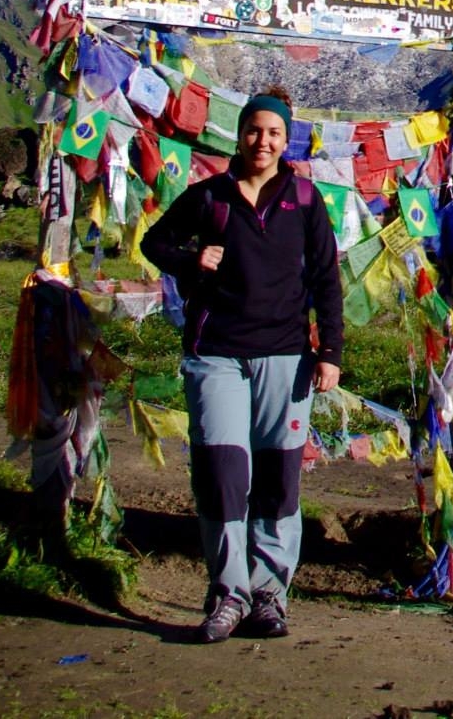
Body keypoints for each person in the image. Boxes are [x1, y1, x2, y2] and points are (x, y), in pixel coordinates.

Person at [143, 85, 343, 643]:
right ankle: (227, 595)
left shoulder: (305, 200)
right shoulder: (209, 196)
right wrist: (191, 258)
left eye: (274, 132)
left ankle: (268, 596)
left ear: (286, 139)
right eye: (255, 130)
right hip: (217, 355)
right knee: (222, 475)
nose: (263, 140)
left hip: (286, 355)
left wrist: (330, 352)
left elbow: (327, 279)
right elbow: (154, 243)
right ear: (240, 134)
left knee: (278, 481)